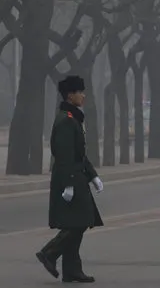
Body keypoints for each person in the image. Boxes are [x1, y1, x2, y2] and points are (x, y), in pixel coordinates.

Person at [36, 75, 104, 283]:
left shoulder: (73, 118)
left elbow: (79, 154)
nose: (83, 95)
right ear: (70, 95)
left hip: (77, 176)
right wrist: (68, 185)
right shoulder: (66, 120)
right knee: (77, 223)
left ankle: (72, 270)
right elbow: (65, 156)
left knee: (79, 222)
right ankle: (49, 252)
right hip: (70, 178)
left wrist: (93, 176)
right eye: (80, 92)